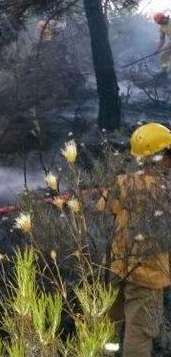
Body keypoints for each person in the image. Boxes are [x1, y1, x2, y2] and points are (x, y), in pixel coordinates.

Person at [97, 122, 171, 357]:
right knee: (139, 332)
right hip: (147, 276)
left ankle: (105, 353)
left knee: (110, 320)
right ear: (160, 157)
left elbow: (103, 208)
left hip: (117, 266)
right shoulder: (166, 190)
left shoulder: (123, 182)